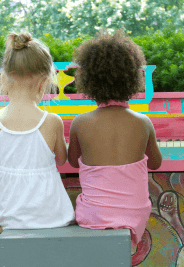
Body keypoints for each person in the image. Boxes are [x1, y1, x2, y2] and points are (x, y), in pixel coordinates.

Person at [68, 29, 162, 248]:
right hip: (134, 216)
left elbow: (73, 162)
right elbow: (156, 163)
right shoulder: (143, 122)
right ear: (133, 78)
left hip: (94, 216)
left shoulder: (80, 122)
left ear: (89, 81)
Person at [0, 31, 75, 230]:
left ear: (4, 79)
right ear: (44, 82)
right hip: (54, 218)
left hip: (10, 218)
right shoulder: (52, 121)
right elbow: (61, 160)